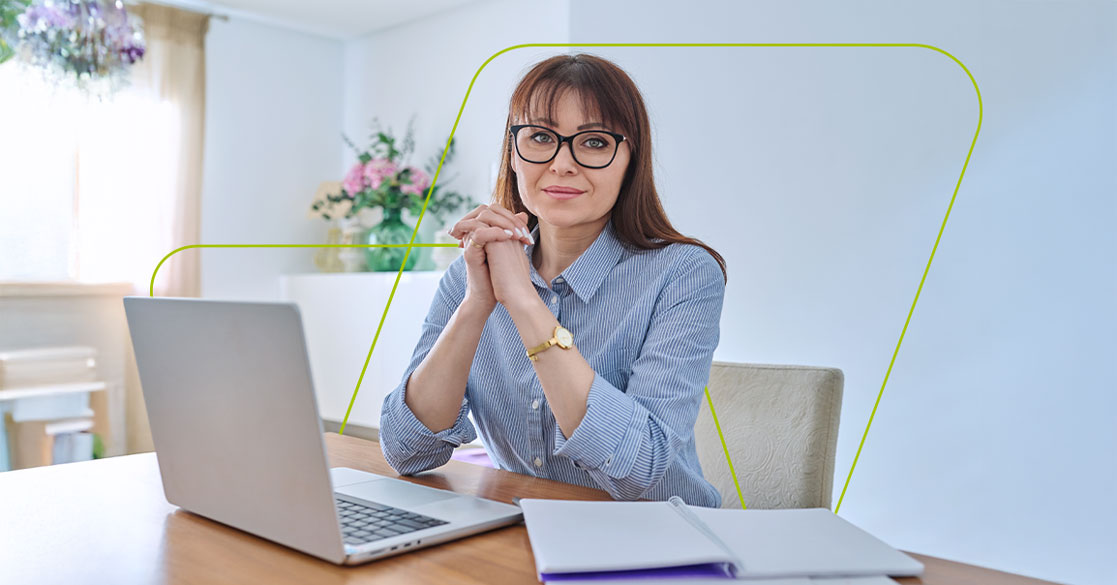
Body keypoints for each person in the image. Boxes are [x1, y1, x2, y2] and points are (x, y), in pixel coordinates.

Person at [379, 53, 728, 507]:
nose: (562, 164)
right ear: (512, 151)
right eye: (542, 137)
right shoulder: (472, 274)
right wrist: (475, 305)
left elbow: (639, 469)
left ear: (630, 160)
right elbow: (408, 451)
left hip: (658, 541)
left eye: (595, 142)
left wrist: (524, 302)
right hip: (522, 535)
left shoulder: (684, 274)